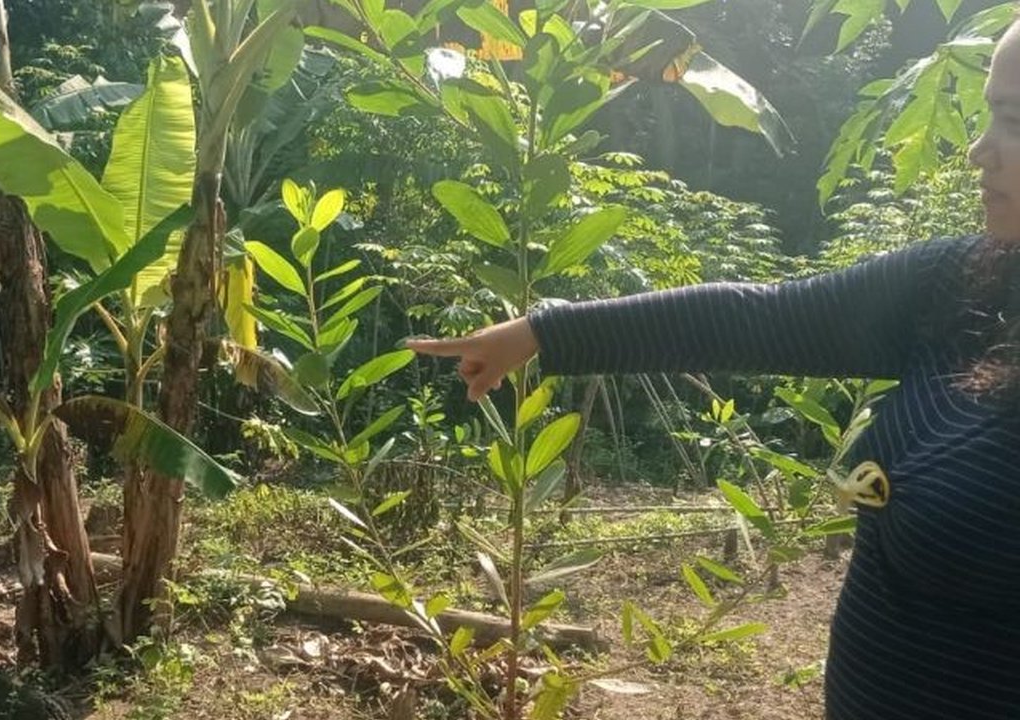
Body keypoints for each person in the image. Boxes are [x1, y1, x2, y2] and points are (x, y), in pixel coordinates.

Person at [407, 18, 1020, 720]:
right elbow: (763, 318)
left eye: (1011, 122)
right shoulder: (970, 281)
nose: (979, 151)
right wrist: (543, 332)